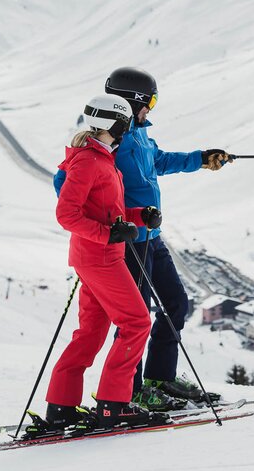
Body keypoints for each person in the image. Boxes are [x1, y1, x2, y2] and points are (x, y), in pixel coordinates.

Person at [53, 68, 232, 410]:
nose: (151, 109)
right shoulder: (111, 141)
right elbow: (64, 183)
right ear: (133, 101)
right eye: (150, 102)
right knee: (135, 317)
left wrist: (199, 159)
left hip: (151, 235)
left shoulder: (138, 136)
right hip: (127, 241)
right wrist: (103, 226)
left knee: (176, 303)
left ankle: (159, 378)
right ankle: (131, 390)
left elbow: (158, 161)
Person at [36, 93, 167, 436]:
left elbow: (109, 211)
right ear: (117, 124)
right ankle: (114, 404)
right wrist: (108, 234)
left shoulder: (101, 158)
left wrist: (140, 216)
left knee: (91, 334)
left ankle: (61, 407)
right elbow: (67, 214)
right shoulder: (89, 162)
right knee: (137, 322)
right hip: (101, 258)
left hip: (96, 257)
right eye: (126, 123)